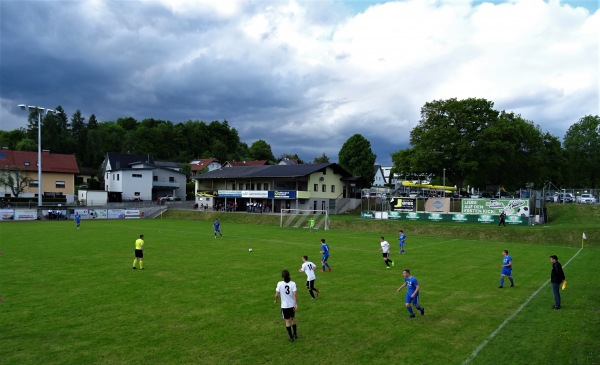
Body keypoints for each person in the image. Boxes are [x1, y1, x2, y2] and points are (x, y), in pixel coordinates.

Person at [274, 269, 298, 342]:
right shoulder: (293, 283)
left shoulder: (280, 283)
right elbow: (295, 294)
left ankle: (291, 337)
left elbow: (276, 294)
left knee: (287, 321)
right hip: (292, 305)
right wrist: (296, 304)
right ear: (289, 275)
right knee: (293, 318)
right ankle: (295, 334)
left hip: (285, 306)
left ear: (282, 277)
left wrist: (276, 300)